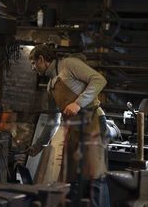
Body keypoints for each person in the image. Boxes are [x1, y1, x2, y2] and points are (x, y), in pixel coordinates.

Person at [26, 44, 113, 207]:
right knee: (71, 181)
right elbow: (53, 121)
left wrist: (78, 104)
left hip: (92, 124)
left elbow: (99, 80)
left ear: (42, 59)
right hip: (73, 131)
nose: (32, 68)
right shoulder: (51, 86)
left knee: (95, 177)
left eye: (33, 63)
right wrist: (38, 146)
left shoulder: (69, 65)